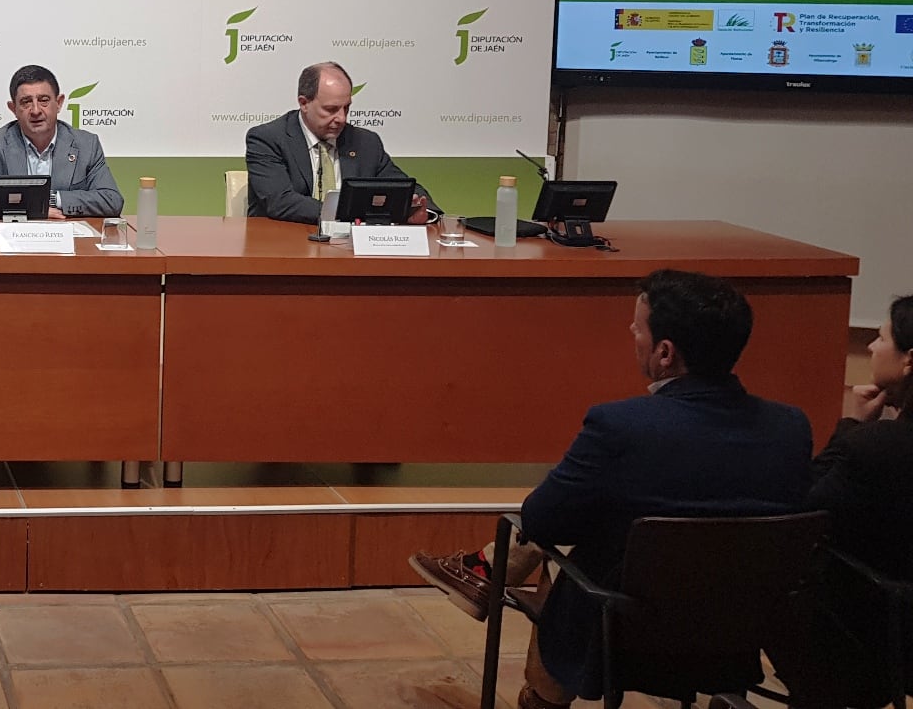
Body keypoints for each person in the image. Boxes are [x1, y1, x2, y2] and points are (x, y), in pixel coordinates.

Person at [407, 270, 812, 708]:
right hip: (736, 630)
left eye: (638, 327)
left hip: (620, 629)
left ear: (665, 352)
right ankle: (484, 572)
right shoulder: (791, 427)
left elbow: (541, 518)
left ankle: (539, 696)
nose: (631, 333)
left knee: (566, 549)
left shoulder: (621, 426)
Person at [766, 294, 913, 708]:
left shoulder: (876, 446)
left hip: (872, 638)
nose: (870, 346)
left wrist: (849, 427)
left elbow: (803, 511)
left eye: (881, 337)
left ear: (908, 361)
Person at [244, 60, 437, 225]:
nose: (342, 118)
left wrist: (419, 209)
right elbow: (280, 201)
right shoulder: (267, 139)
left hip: (352, 249)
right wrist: (349, 213)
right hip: (285, 244)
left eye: (346, 108)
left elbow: (403, 186)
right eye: (331, 109)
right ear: (304, 103)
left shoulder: (366, 142)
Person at [0, 64, 123, 219]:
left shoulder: (86, 144)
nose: (35, 110)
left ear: (59, 103)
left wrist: (52, 199)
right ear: (14, 109)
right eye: (26, 102)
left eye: (44, 100)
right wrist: (30, 207)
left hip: (68, 244)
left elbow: (111, 200)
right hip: (11, 244)